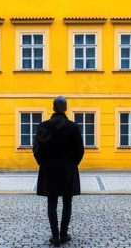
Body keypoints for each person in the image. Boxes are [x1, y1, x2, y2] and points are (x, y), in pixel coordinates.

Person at [33, 96, 84, 247]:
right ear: (66, 109)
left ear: (54, 108)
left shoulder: (44, 126)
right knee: (67, 202)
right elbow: (80, 150)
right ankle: (63, 235)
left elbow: (36, 149)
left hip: (49, 170)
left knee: (52, 202)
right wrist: (73, 163)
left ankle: (55, 237)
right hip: (68, 170)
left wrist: (43, 163)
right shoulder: (73, 127)